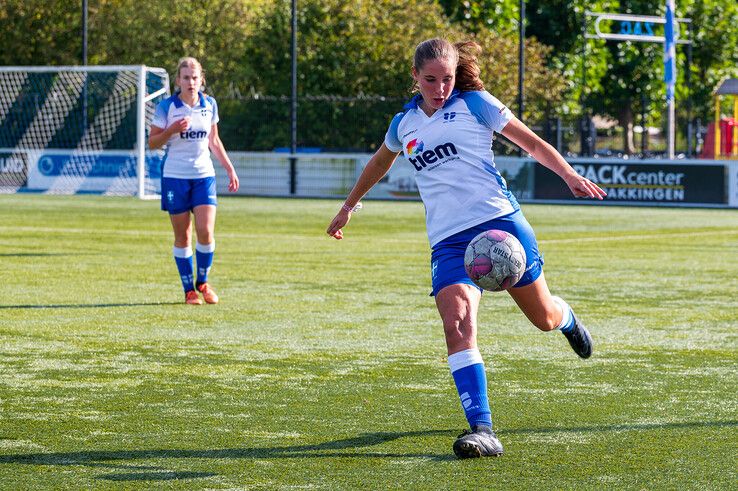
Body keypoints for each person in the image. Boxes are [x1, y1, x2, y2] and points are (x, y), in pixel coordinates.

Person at [326, 38, 606, 459]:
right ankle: (483, 429)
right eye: (430, 80)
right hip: (449, 241)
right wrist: (350, 204)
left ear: (457, 76)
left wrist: (568, 175)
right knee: (456, 323)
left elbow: (530, 143)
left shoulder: (476, 103)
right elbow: (381, 161)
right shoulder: (404, 124)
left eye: (447, 79)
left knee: (542, 317)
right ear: (415, 78)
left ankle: (565, 317)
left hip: (501, 225)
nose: (440, 88)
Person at [149, 57, 239, 305]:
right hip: (175, 177)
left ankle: (203, 283)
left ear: (202, 80)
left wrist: (230, 169)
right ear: (178, 80)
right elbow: (152, 142)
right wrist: (171, 130)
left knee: (206, 232)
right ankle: (189, 290)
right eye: (186, 77)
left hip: (203, 175)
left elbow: (214, 141)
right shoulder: (167, 107)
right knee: (183, 236)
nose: (190, 82)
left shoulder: (209, 104)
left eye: (195, 77)